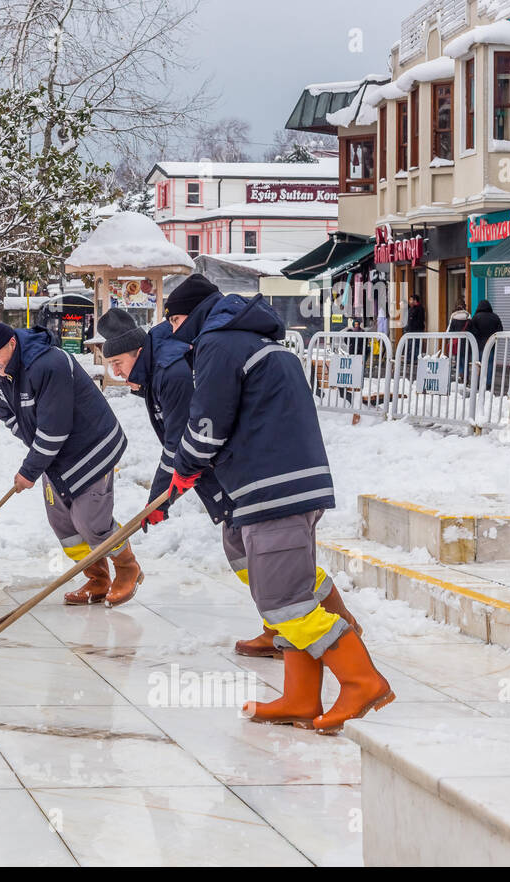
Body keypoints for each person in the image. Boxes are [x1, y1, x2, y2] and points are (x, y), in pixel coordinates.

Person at [157, 275, 389, 733]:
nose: (174, 329)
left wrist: (185, 467)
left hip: (273, 488)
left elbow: (209, 420)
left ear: (190, 315)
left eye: (175, 319)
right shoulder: (246, 338)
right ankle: (302, 696)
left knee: (285, 603)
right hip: (279, 483)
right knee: (283, 592)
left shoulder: (219, 344)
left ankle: (361, 680)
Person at [101, 281, 283, 656]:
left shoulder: (171, 373)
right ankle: (280, 623)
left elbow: (181, 442)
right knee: (242, 551)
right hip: (224, 470)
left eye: (118, 364)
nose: (117, 374)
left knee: (260, 555)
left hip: (238, 470)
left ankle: (308, 621)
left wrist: (160, 501)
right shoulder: (156, 371)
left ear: (136, 352)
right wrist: (162, 499)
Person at [0, 317, 142, 606]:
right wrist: (39, 449)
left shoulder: (48, 364)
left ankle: (128, 568)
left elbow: (55, 428)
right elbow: (8, 416)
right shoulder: (0, 375)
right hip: (55, 455)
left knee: (90, 520)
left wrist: (31, 467)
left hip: (90, 447)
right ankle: (97, 577)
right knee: (63, 523)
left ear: (12, 343)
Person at [468, 300, 504, 391]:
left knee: (478, 365)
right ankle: (488, 383)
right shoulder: (495, 317)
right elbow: (500, 330)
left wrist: (479, 337)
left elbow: (472, 331)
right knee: (490, 364)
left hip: (479, 345)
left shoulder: (476, 318)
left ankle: (477, 383)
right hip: (491, 345)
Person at [447, 298, 471, 381]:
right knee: (466, 360)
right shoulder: (468, 316)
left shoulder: (453, 318)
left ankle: (461, 374)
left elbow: (450, 331)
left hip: (457, 343)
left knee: (459, 360)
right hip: (467, 343)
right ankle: (466, 376)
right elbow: (472, 330)